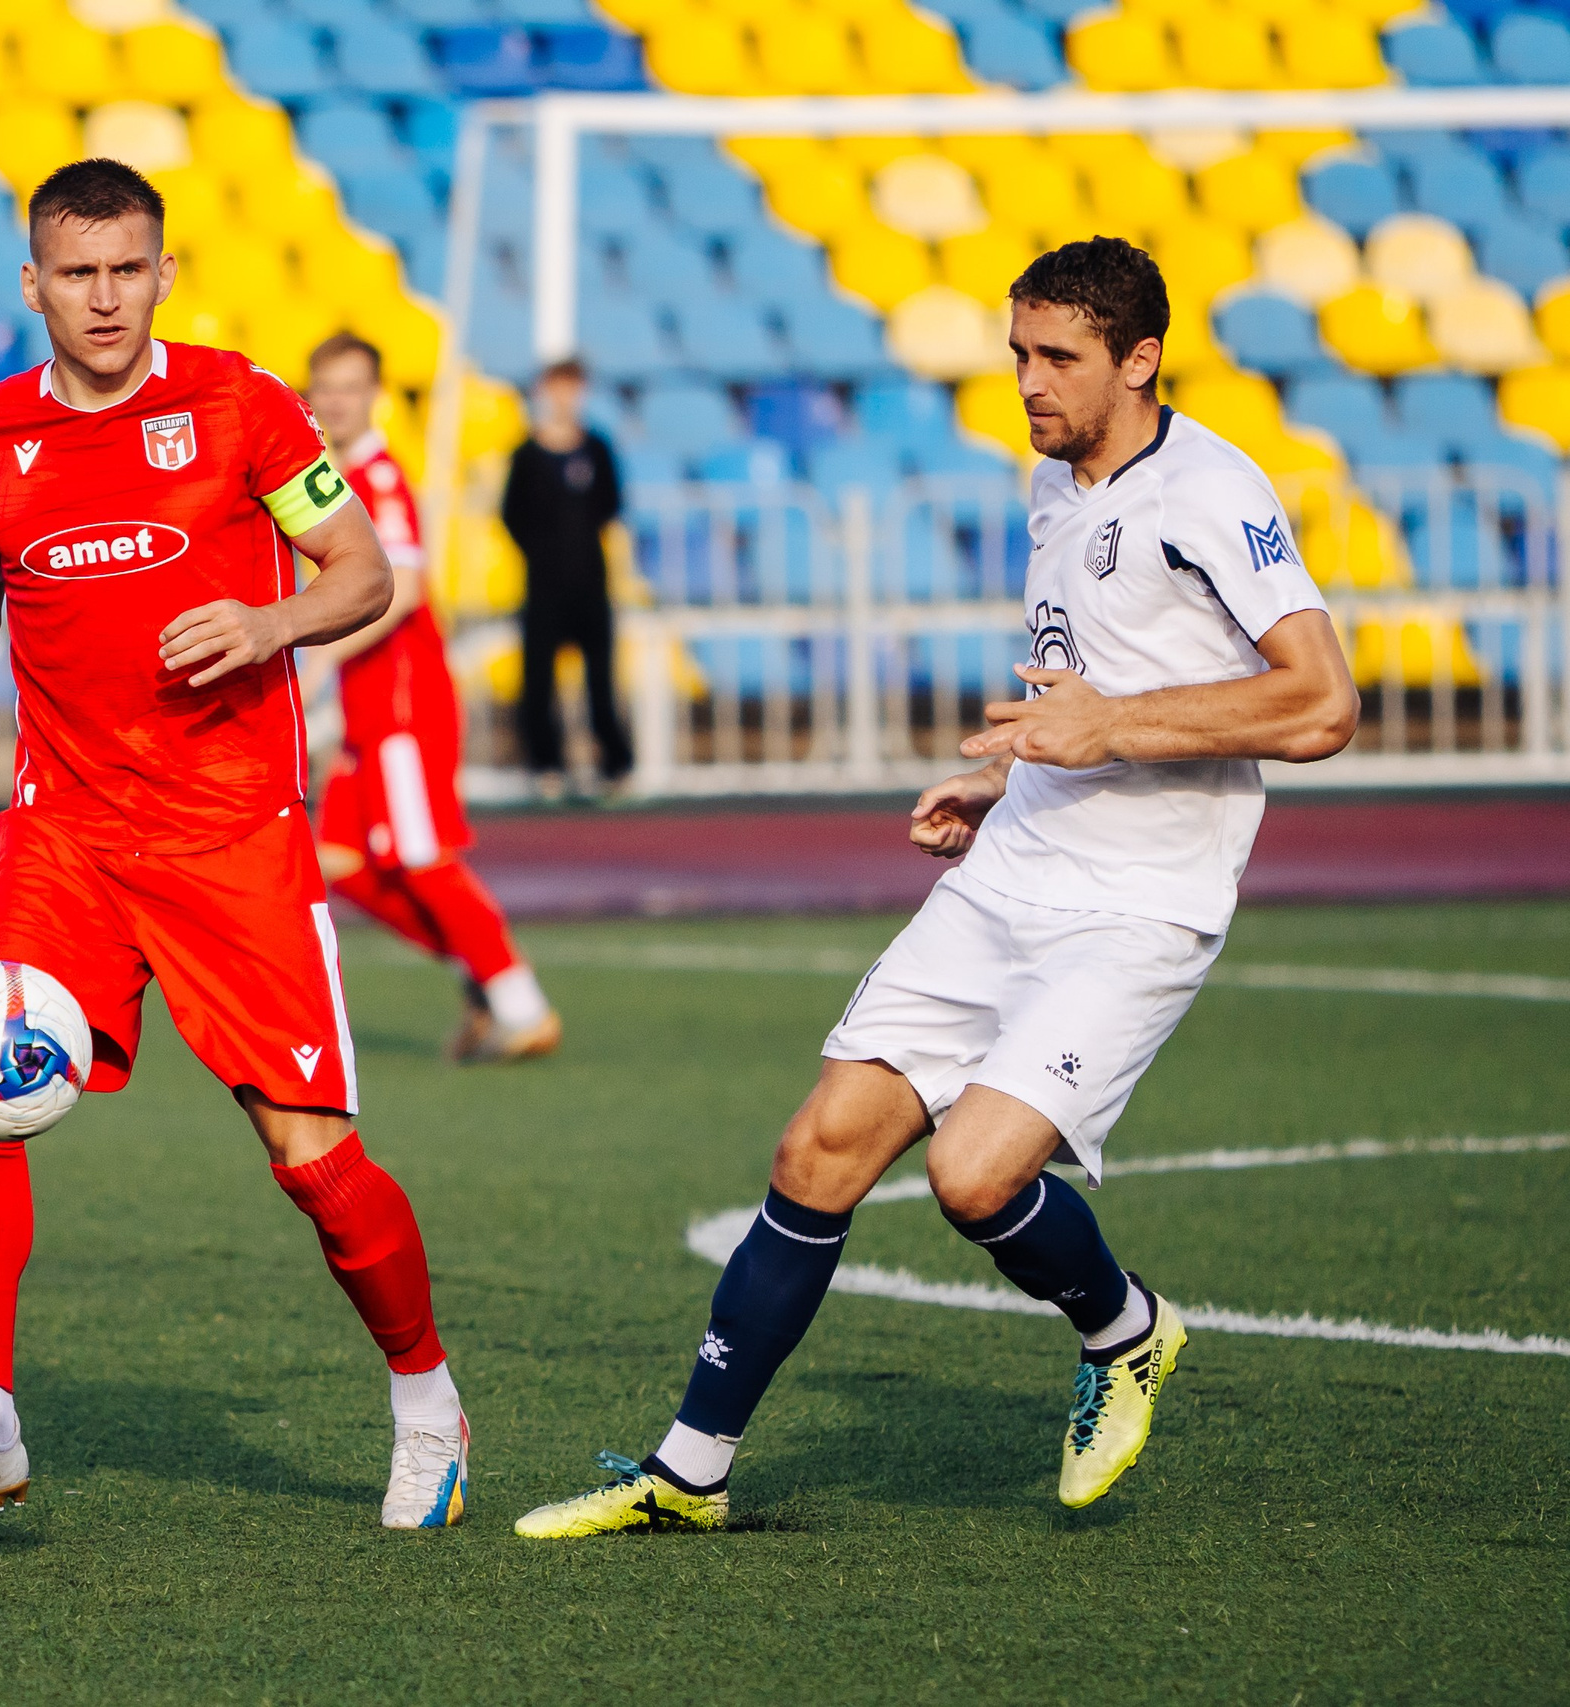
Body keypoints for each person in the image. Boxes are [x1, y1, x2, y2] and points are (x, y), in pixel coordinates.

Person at [514, 237, 1358, 1538]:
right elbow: (1083, 685)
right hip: (1016, 866)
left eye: (1058, 357)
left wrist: (1112, 729)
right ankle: (690, 1469)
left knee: (972, 1176)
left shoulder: (1211, 491)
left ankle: (1125, 1330)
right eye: (1018, 351)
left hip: (1138, 906)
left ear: (1140, 360)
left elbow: (1321, 701)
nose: (1026, 379)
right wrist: (1010, 777)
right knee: (817, 1148)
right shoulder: (1053, 478)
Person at [0, 160, 470, 1536]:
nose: (105, 296)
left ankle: (427, 1398)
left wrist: (267, 619)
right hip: (64, 830)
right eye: (78, 272)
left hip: (233, 834)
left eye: (129, 268)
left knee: (310, 1159)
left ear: (163, 271)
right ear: (34, 284)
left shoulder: (241, 403)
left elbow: (364, 572)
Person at [303, 333, 559, 1063]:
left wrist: (318, 656)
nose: (338, 400)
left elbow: (401, 589)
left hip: (403, 706)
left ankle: (521, 1002)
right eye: (327, 386)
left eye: (352, 386)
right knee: (341, 863)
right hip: (367, 709)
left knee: (420, 858)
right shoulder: (338, 475)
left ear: (374, 395)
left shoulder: (378, 479)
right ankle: (480, 976)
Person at [500, 357, 630, 795]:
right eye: (557, 387)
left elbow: (611, 505)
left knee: (600, 680)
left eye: (571, 387)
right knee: (538, 680)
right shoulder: (526, 455)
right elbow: (511, 514)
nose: (564, 397)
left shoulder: (597, 448)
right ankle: (545, 765)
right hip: (543, 584)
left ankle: (613, 765)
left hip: (591, 582)